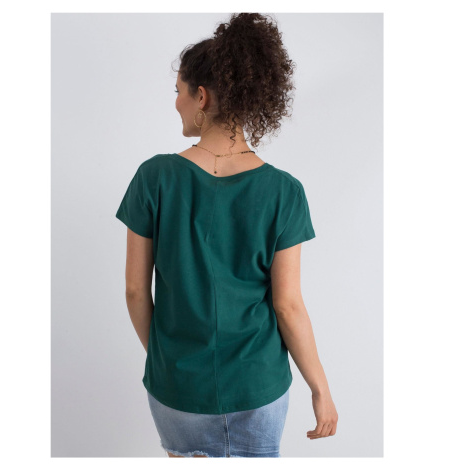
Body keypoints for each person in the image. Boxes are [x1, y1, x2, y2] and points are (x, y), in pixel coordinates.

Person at [116, 12, 338, 458]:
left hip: (178, 388)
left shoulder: (154, 177)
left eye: (178, 92)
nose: (176, 103)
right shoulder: (284, 190)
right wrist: (320, 388)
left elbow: (136, 290)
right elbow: (288, 304)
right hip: (258, 385)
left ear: (201, 96)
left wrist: (169, 360)